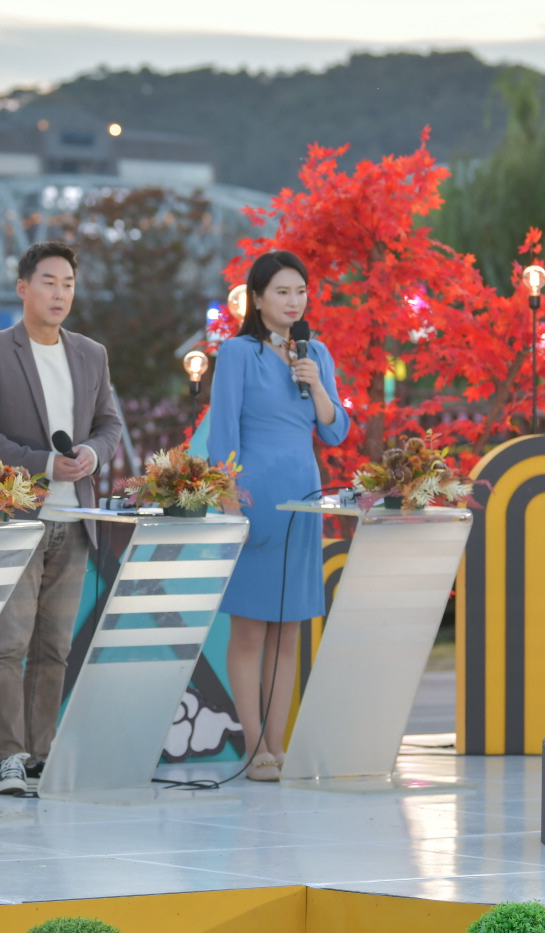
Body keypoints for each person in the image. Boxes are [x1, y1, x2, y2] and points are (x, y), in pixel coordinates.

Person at [0, 240, 123, 795]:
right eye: (48, 282)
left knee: (55, 649)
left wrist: (93, 453)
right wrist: (42, 463)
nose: (59, 293)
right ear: (23, 288)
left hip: (75, 520)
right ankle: (8, 757)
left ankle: (41, 754)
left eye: (68, 284)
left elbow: (110, 424)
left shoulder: (91, 353)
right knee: (9, 644)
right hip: (17, 517)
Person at [205, 250, 350, 782]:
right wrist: (228, 503)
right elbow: (223, 432)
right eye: (282, 292)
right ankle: (254, 747)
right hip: (253, 502)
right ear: (258, 298)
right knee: (250, 632)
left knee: (288, 633)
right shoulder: (237, 353)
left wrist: (317, 384)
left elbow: (335, 431)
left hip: (303, 500)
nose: (294, 301)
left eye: (301, 292)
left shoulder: (318, 353)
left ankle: (277, 744)